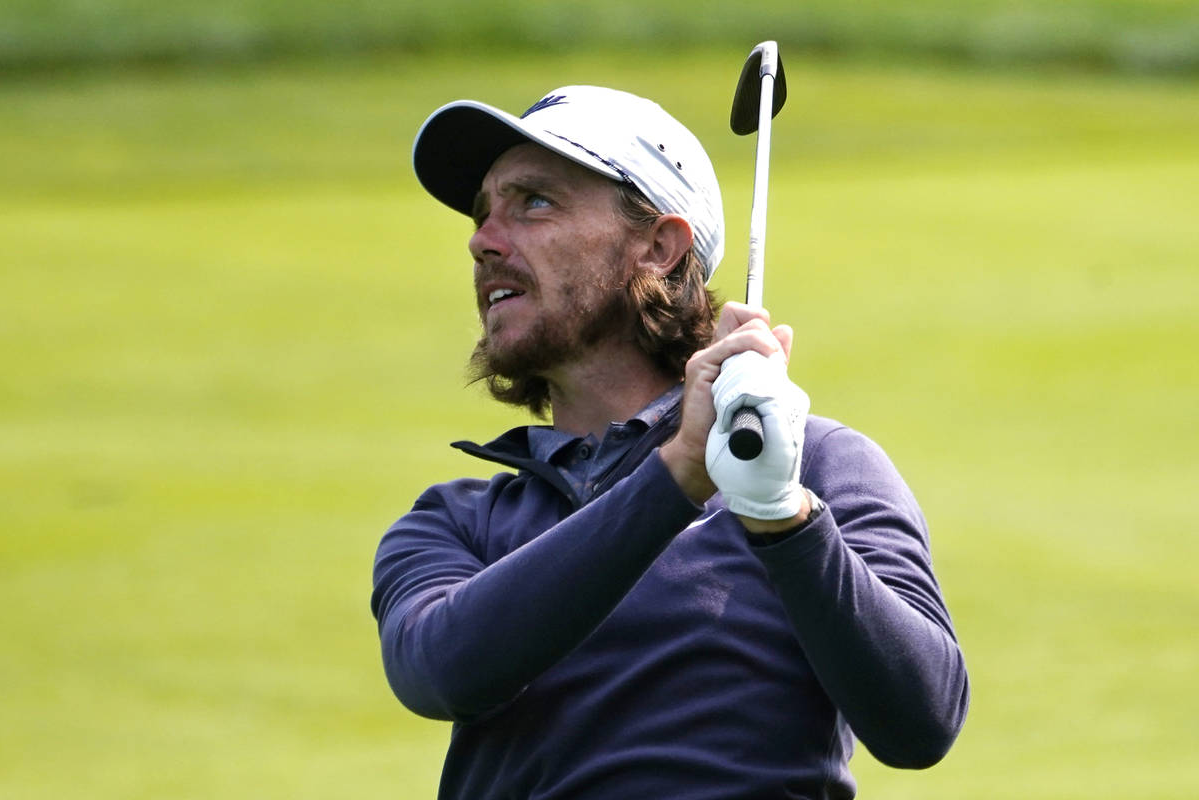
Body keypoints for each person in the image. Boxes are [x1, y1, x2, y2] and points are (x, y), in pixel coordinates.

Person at [371, 84, 969, 799]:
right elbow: (443, 670)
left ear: (659, 246)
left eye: (534, 203)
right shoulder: (457, 521)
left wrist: (785, 518)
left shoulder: (821, 469)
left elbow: (921, 723)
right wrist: (678, 474)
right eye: (482, 214)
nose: (482, 240)